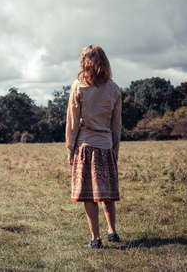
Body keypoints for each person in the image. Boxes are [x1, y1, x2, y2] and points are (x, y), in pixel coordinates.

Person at [65, 45, 122, 248]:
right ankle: (112, 232)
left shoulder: (78, 86)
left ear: (85, 62)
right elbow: (117, 123)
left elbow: (72, 121)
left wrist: (70, 148)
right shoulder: (114, 88)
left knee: (90, 195)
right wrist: (115, 148)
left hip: (85, 146)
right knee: (106, 191)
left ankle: (95, 239)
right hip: (106, 146)